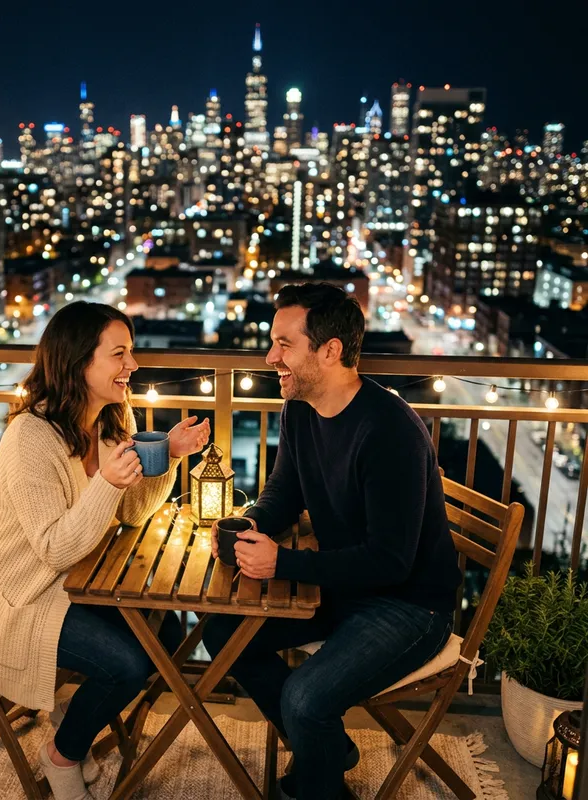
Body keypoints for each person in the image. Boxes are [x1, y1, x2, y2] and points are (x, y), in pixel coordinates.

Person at [203, 283, 461, 800]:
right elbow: (284, 491)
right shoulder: (299, 410)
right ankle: (327, 748)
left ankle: (316, 773)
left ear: (331, 350)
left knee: (304, 697)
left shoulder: (391, 432)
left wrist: (283, 564)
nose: (271, 357)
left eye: (284, 344)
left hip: (409, 606)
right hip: (342, 584)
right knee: (221, 634)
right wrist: (252, 523)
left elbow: (390, 562)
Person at [0, 301, 211, 800]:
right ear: (78, 362)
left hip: (72, 582)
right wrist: (106, 485)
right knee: (129, 665)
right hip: (15, 599)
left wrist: (171, 457)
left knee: (168, 629)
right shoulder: (31, 436)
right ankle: (62, 753)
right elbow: (53, 548)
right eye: (119, 354)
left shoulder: (113, 418)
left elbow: (132, 511)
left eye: (131, 353)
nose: (132, 367)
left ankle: (74, 715)